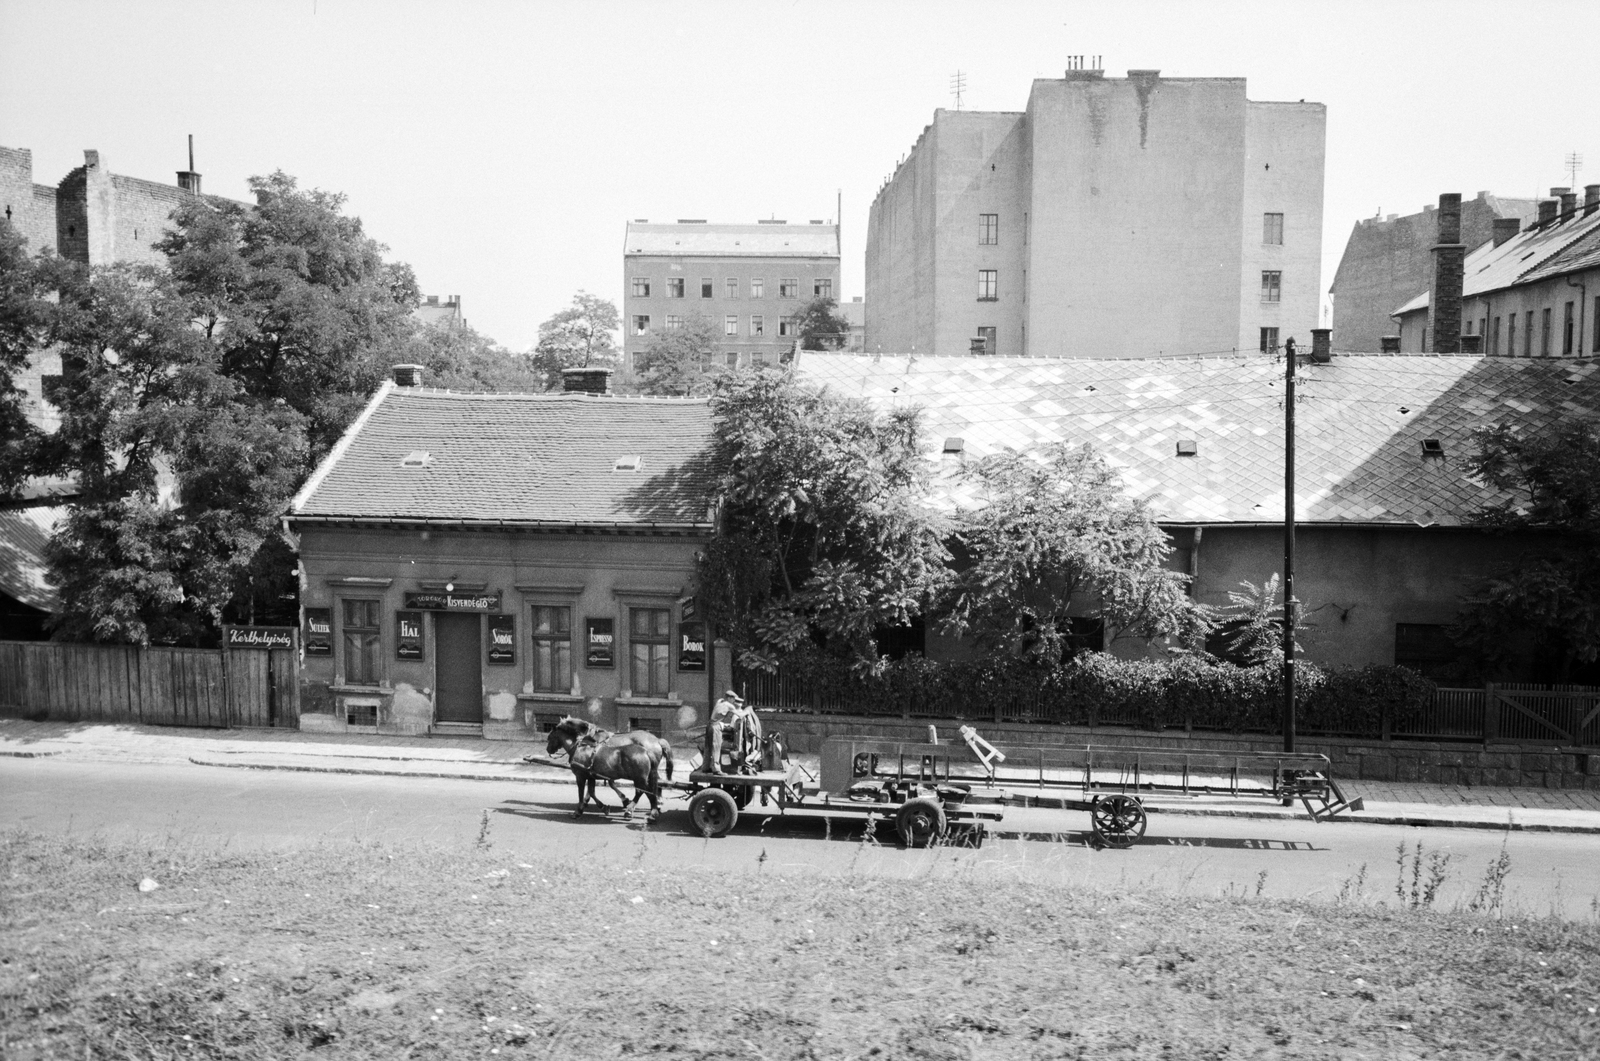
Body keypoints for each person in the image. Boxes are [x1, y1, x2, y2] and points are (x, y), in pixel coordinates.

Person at [704, 689, 761, 774]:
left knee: (708, 747)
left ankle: (705, 767)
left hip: (709, 725)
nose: (734, 701)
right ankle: (716, 770)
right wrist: (747, 711)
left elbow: (718, 714)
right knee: (716, 747)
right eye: (733, 699)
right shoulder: (729, 705)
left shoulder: (720, 701)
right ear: (729, 698)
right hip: (715, 727)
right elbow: (740, 715)